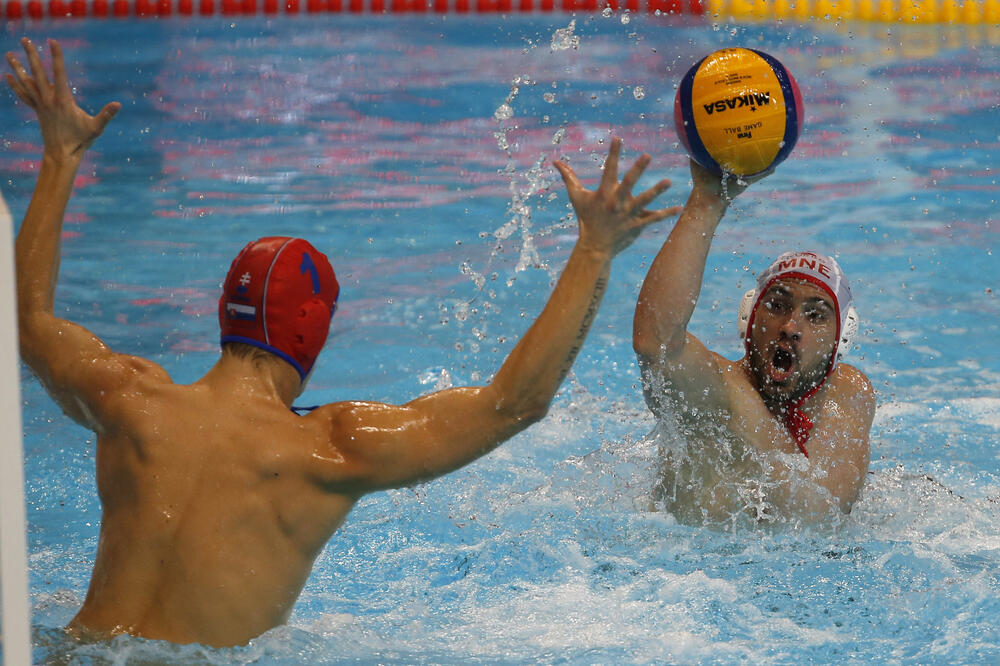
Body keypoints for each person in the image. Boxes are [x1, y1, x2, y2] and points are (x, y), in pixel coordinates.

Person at [7, 38, 681, 647]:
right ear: (311, 330)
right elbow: (515, 403)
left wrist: (61, 155)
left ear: (225, 312)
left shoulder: (129, 402)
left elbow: (29, 319)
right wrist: (594, 250)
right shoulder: (325, 449)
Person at [632, 161, 876, 526]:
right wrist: (705, 203)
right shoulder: (720, 398)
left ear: (841, 339)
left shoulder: (853, 396)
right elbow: (657, 343)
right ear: (749, 317)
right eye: (777, 305)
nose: (792, 326)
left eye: (816, 315)